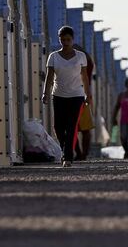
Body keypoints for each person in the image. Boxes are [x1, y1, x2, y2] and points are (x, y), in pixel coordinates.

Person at [42, 26, 91, 167]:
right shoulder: (53, 56)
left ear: (72, 39)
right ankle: (65, 149)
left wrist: (88, 94)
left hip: (76, 96)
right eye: (63, 40)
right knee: (58, 126)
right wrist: (45, 93)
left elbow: (85, 77)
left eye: (68, 39)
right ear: (59, 40)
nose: (65, 42)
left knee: (71, 126)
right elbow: (49, 77)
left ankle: (67, 156)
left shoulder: (81, 56)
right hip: (58, 95)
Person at [73, 44, 95, 161]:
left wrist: (79, 50)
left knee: (85, 128)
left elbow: (90, 61)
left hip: (83, 97)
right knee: (72, 128)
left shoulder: (86, 66)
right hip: (70, 97)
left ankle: (84, 154)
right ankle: (79, 153)